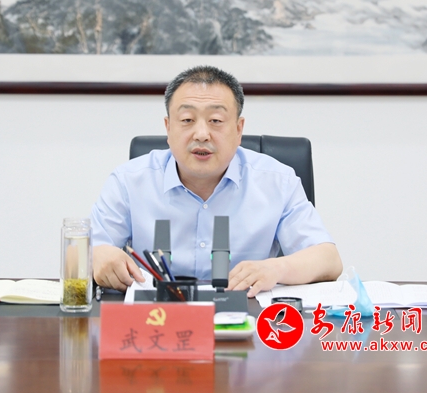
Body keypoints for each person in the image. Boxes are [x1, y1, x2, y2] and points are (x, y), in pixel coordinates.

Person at [91, 66, 342, 297]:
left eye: (216, 121)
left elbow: (329, 260)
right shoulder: (128, 182)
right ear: (168, 128)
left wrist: (276, 269)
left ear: (239, 129)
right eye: (187, 120)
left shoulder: (278, 182)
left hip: (246, 319)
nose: (201, 134)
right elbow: (85, 252)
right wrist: (97, 256)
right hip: (156, 319)